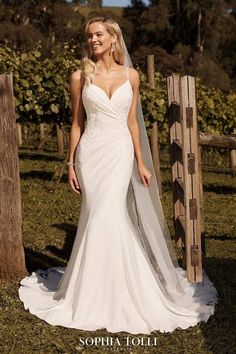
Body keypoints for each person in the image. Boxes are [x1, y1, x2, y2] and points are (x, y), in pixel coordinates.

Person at [18, 16, 218, 335]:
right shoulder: (79, 76)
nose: (92, 39)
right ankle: (95, 291)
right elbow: (76, 124)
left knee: (109, 216)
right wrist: (70, 163)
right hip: (92, 152)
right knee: (99, 216)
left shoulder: (132, 76)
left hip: (120, 152)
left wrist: (140, 161)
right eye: (89, 36)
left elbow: (133, 123)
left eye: (98, 34)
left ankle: (122, 289)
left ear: (114, 38)